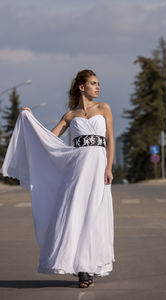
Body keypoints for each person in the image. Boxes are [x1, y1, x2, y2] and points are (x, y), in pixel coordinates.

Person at [1, 69, 115, 288]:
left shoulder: (104, 108)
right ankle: (82, 270)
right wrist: (30, 120)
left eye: (98, 83)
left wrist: (108, 168)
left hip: (99, 168)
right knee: (76, 216)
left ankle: (90, 265)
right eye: (93, 83)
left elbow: (110, 141)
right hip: (77, 171)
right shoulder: (70, 116)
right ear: (82, 87)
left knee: (94, 216)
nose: (98, 87)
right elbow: (48, 140)